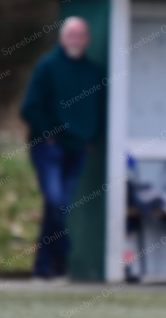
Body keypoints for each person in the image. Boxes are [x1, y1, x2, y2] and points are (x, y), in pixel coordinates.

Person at [21, 17, 105, 279]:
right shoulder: (47, 66)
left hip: (78, 149)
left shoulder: (93, 73)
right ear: (61, 37)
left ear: (87, 40)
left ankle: (46, 267)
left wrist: (90, 139)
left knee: (58, 207)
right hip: (49, 149)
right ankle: (61, 255)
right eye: (71, 35)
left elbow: (101, 112)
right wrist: (49, 135)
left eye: (80, 35)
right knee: (56, 202)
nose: (76, 40)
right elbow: (30, 108)